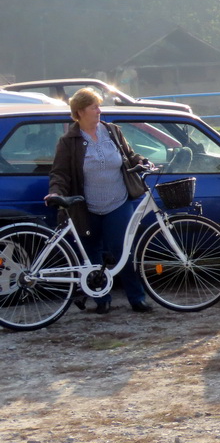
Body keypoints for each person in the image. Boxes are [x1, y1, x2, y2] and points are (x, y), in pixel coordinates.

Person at [47, 88, 151, 313]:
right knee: (91, 253)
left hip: (118, 202)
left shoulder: (112, 131)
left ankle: (137, 298)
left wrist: (143, 161)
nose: (99, 111)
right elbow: (60, 173)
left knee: (123, 251)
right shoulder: (68, 141)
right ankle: (102, 300)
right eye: (94, 107)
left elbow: (129, 155)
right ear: (80, 111)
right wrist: (55, 192)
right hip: (86, 207)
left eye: (98, 106)